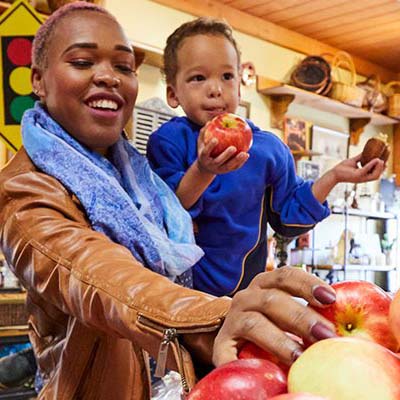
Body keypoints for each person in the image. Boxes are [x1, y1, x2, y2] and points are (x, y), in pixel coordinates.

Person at [0, 3, 340, 399]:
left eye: (124, 67)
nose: (108, 76)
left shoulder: (137, 174)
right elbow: (95, 275)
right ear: (38, 80)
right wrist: (212, 313)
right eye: (82, 61)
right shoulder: (25, 188)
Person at [146, 17, 385, 297]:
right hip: (182, 293)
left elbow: (288, 219)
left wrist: (334, 176)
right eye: (198, 78)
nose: (215, 89)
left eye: (227, 76)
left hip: (246, 294)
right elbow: (168, 212)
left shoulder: (268, 149)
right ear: (173, 93)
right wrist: (203, 168)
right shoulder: (168, 141)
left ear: (239, 86)